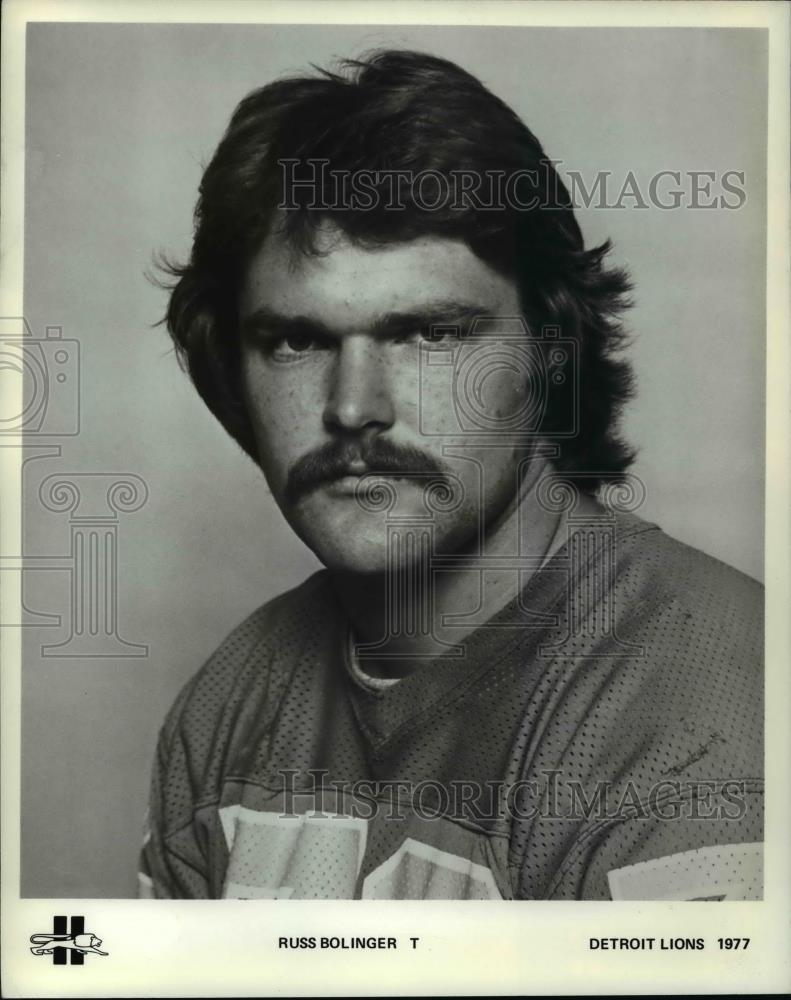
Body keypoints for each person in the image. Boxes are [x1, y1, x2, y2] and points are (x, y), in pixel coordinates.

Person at [138, 50, 763, 901]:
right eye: (296, 341)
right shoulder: (232, 700)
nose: (354, 407)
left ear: (548, 356)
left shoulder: (708, 712)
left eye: (430, 335)